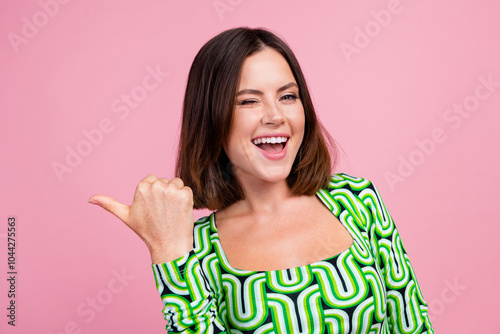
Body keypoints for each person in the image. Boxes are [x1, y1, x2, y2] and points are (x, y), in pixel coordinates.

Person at [88, 27, 434, 333]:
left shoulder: (356, 200)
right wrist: (168, 254)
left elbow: (413, 324)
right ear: (212, 120)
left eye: (288, 96)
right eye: (248, 101)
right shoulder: (199, 251)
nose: (275, 116)